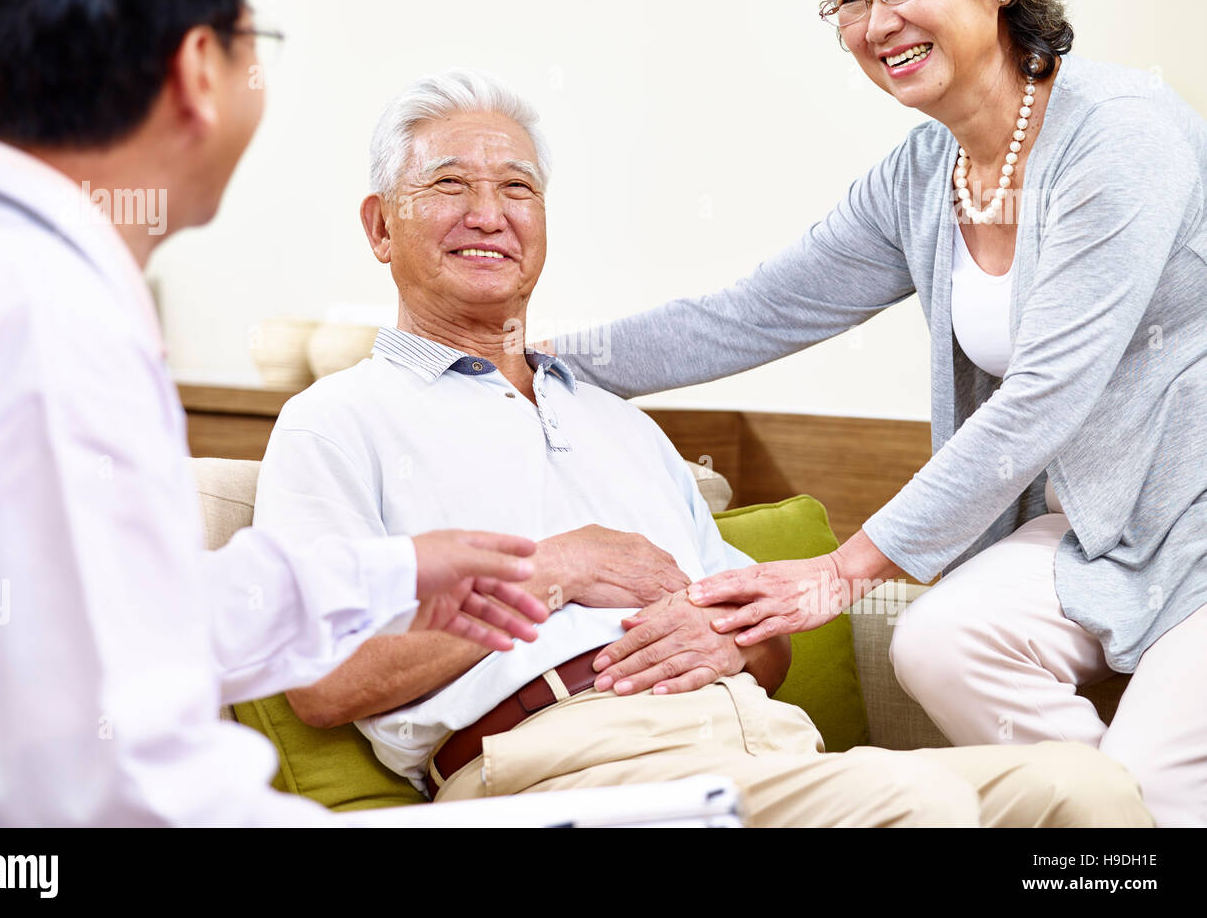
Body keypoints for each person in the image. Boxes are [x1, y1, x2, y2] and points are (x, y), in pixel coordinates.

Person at [251, 67, 1154, 827]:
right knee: (913, 800)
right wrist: (554, 571)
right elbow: (320, 683)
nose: (489, 212)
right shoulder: (338, 422)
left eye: (517, 187)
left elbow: (768, 651)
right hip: (558, 763)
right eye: (449, 184)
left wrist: (728, 636)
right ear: (379, 226)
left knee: (1088, 789)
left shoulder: (618, 420)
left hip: (759, 741)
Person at [552, 0, 1207, 827]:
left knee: (1154, 792)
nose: (875, 22)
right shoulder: (922, 176)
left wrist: (840, 570)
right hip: (1102, 531)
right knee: (939, 644)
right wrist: (524, 358)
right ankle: (1104, 824)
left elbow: (1044, 397)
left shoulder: (1120, 134)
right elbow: (747, 313)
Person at [0, 0, 548, 828]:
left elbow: (133, 619)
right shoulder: (48, 325)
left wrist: (395, 573)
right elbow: (107, 771)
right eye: (259, 43)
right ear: (198, 70)